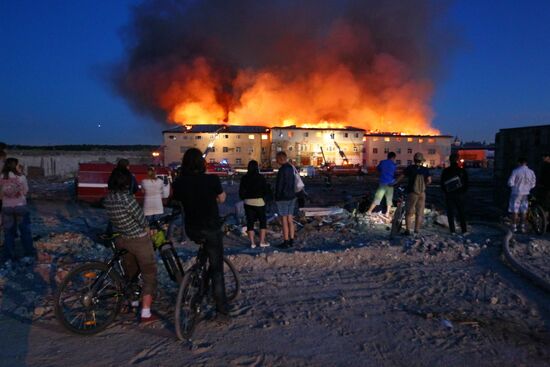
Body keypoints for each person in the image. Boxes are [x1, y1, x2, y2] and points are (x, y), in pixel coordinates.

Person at [172, 148, 229, 320]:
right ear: (202, 164)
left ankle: (197, 276)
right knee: (217, 269)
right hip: (211, 227)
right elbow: (222, 198)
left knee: (204, 251)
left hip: (192, 229)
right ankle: (222, 311)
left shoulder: (179, 182)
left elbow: (175, 200)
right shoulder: (212, 179)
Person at [103, 168, 157, 323]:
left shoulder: (108, 199)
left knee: (130, 273)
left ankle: (133, 303)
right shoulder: (127, 199)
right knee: (149, 274)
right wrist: (148, 228)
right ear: (128, 183)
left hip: (121, 240)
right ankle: (146, 313)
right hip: (138, 241)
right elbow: (141, 219)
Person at [0, 158, 35, 267]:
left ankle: (8, 258)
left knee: (8, 234)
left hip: (6, 207)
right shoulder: (21, 177)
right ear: (15, 165)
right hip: (20, 206)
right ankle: (28, 256)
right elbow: (25, 191)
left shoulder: (1, 177)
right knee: (25, 232)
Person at [395, 152, 432, 235]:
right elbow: (429, 180)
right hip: (422, 193)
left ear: (414, 160)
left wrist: (394, 182)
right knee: (419, 212)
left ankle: (408, 230)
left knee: (409, 212)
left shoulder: (410, 168)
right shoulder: (425, 169)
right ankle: (417, 230)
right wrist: (424, 185)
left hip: (412, 192)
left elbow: (401, 177)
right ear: (421, 161)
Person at [239, 160, 271, 249]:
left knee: (250, 222)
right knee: (262, 221)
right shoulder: (261, 177)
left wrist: (244, 198)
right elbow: (265, 190)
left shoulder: (244, 178)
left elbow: (241, 192)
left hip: (247, 202)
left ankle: (252, 243)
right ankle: (261, 241)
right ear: (257, 167)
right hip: (259, 202)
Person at [441, 153, 469, 234]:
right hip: (460, 194)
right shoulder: (462, 171)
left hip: (449, 194)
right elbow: (466, 183)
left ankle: (452, 230)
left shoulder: (445, 171)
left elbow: (442, 183)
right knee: (461, 212)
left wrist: (446, 192)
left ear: (450, 160)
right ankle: (464, 230)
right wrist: (463, 192)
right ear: (457, 160)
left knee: (450, 212)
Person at [508, 157, 536, 233]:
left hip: (516, 193)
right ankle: (522, 227)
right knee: (524, 210)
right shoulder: (531, 172)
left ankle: (514, 227)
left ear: (519, 163)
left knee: (515, 209)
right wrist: (527, 188)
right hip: (526, 193)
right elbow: (533, 184)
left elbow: (510, 182)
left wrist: (514, 186)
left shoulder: (516, 171)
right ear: (526, 163)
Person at [274, 151, 296, 248]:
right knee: (290, 219)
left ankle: (286, 241)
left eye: (276, 159)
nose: (276, 161)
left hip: (283, 198)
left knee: (284, 220)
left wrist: (276, 197)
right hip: (292, 196)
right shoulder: (291, 168)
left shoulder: (282, 170)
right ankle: (291, 240)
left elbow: (279, 186)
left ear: (280, 159)